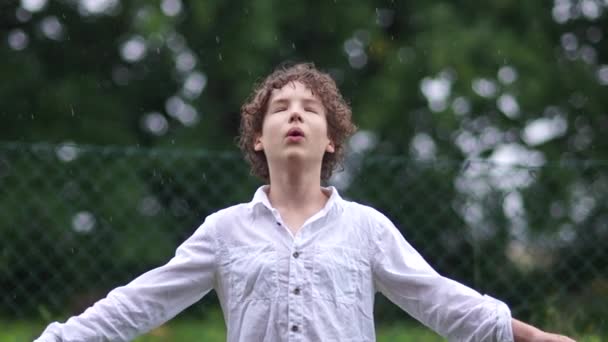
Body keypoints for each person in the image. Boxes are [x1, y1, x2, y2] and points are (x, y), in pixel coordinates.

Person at [35, 63, 575, 342]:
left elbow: (441, 300)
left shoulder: (367, 229)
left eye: (310, 108)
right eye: (281, 108)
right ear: (257, 138)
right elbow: (141, 302)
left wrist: (527, 336)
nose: (295, 114)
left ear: (332, 138)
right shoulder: (223, 232)